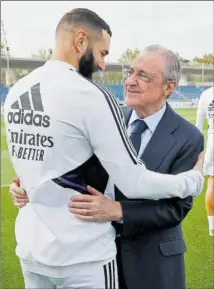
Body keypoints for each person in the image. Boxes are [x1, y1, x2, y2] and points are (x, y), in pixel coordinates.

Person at [5, 8, 204, 289]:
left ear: (169, 87)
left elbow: (175, 210)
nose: (129, 79)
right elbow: (120, 179)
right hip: (87, 257)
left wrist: (118, 211)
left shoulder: (189, 137)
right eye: (130, 71)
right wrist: (26, 186)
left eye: (144, 76)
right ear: (81, 40)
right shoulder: (101, 106)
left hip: (148, 263)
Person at [196, 86, 214, 236]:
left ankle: (212, 226)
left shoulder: (206, 94)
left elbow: (198, 126)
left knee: (212, 184)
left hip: (213, 144)